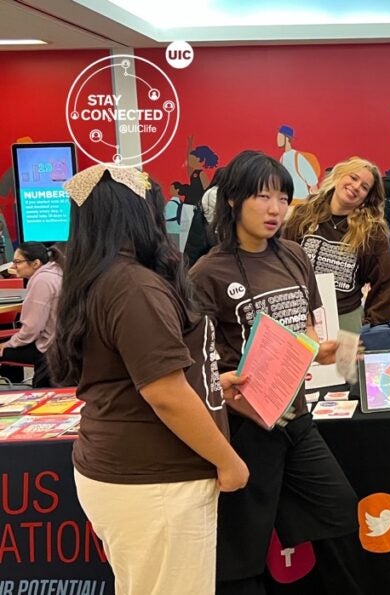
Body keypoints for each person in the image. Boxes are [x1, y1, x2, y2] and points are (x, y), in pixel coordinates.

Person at [51, 165, 248, 595]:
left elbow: (138, 374)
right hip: (156, 480)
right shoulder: (133, 286)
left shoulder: (102, 279)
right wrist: (228, 461)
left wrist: (212, 383)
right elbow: (164, 393)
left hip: (134, 474)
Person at [188, 151, 364, 594]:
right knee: (243, 545)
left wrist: (325, 349)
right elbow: (199, 362)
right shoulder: (207, 273)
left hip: (296, 417)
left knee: (339, 510)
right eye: (262, 196)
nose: (274, 209)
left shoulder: (292, 255)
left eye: (283, 198)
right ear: (232, 201)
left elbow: (303, 327)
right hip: (246, 425)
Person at [282, 156, 390, 333]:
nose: (356, 186)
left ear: (367, 197)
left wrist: (372, 323)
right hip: (299, 315)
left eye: (364, 187)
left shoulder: (372, 231)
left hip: (346, 318)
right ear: (339, 176)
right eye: (353, 177)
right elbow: (283, 262)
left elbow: (385, 281)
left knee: (346, 363)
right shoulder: (302, 216)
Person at [0, 242, 62, 387]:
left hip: (47, 349)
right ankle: (15, 386)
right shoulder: (56, 272)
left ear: (35, 263)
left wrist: (8, 344)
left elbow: (31, 330)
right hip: (61, 343)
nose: (13, 267)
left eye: (18, 262)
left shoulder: (42, 281)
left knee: (5, 348)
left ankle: (14, 393)